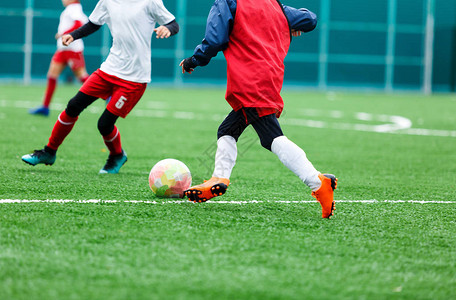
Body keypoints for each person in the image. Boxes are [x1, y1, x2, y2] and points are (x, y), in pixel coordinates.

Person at [180, 0, 337, 218]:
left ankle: (318, 182)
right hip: (270, 75)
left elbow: (216, 38)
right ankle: (219, 178)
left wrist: (194, 60)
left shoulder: (228, 2)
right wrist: (290, 23)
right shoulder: (274, 5)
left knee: (270, 136)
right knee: (227, 130)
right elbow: (309, 19)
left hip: (249, 78)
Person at [22, 0, 179, 174]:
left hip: (134, 79)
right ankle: (49, 152)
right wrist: (73, 35)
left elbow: (173, 24)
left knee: (104, 124)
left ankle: (117, 155)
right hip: (109, 69)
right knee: (73, 106)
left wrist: (168, 29)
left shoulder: (150, 2)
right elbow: (93, 24)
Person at [29, 0, 90, 117]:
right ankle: (45, 107)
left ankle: (107, 95)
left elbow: (79, 24)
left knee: (82, 77)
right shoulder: (72, 8)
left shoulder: (74, 8)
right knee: (52, 76)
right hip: (63, 49)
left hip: (73, 50)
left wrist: (63, 33)